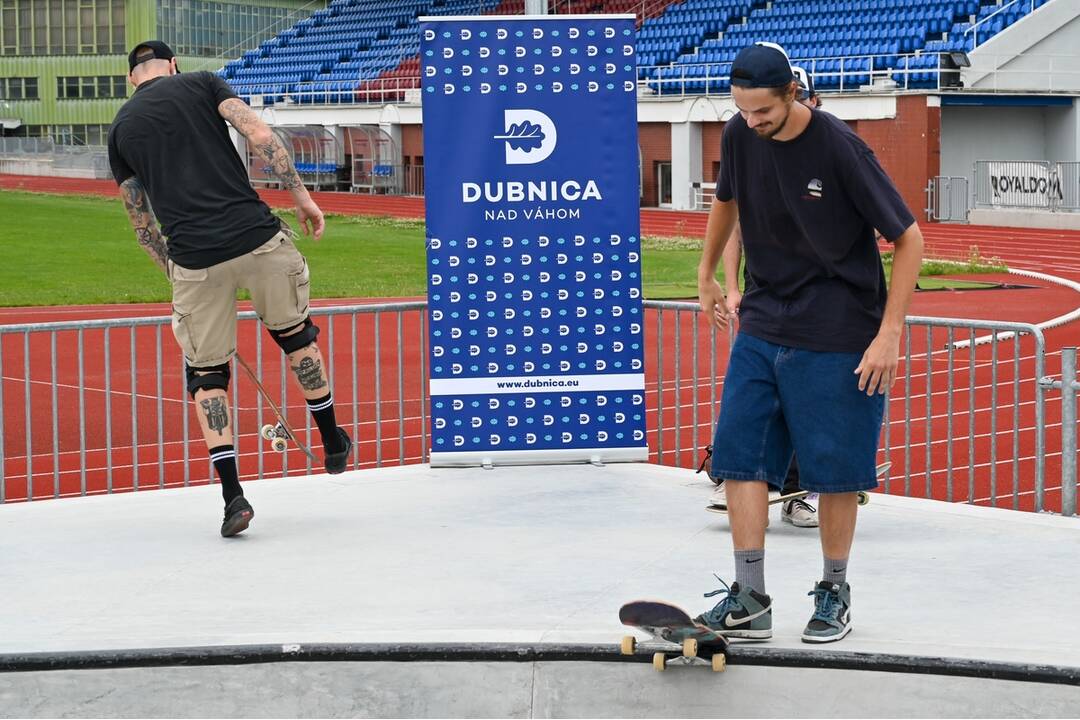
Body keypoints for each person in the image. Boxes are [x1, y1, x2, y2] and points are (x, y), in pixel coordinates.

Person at [695, 42, 923, 643]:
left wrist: (888, 333)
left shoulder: (841, 147)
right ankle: (749, 598)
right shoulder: (741, 135)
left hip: (838, 325)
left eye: (763, 112)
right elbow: (727, 202)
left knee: (835, 469)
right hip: (765, 320)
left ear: (792, 94)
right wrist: (707, 274)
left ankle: (833, 592)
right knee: (739, 455)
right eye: (743, 111)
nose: (752, 122)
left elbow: (909, 239)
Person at [107, 41, 354, 538]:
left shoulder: (120, 128)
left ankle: (233, 496)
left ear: (131, 77)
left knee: (206, 374)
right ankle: (330, 440)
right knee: (295, 336)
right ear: (170, 65)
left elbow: (141, 223)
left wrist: (175, 271)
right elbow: (259, 133)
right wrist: (302, 199)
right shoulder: (201, 81)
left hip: (195, 259)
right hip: (257, 237)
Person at [709, 65, 823, 529]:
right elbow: (734, 221)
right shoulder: (749, 145)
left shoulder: (830, 148)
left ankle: (802, 490)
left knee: (807, 399)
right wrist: (731, 285)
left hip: (817, 304)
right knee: (752, 395)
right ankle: (734, 476)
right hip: (762, 298)